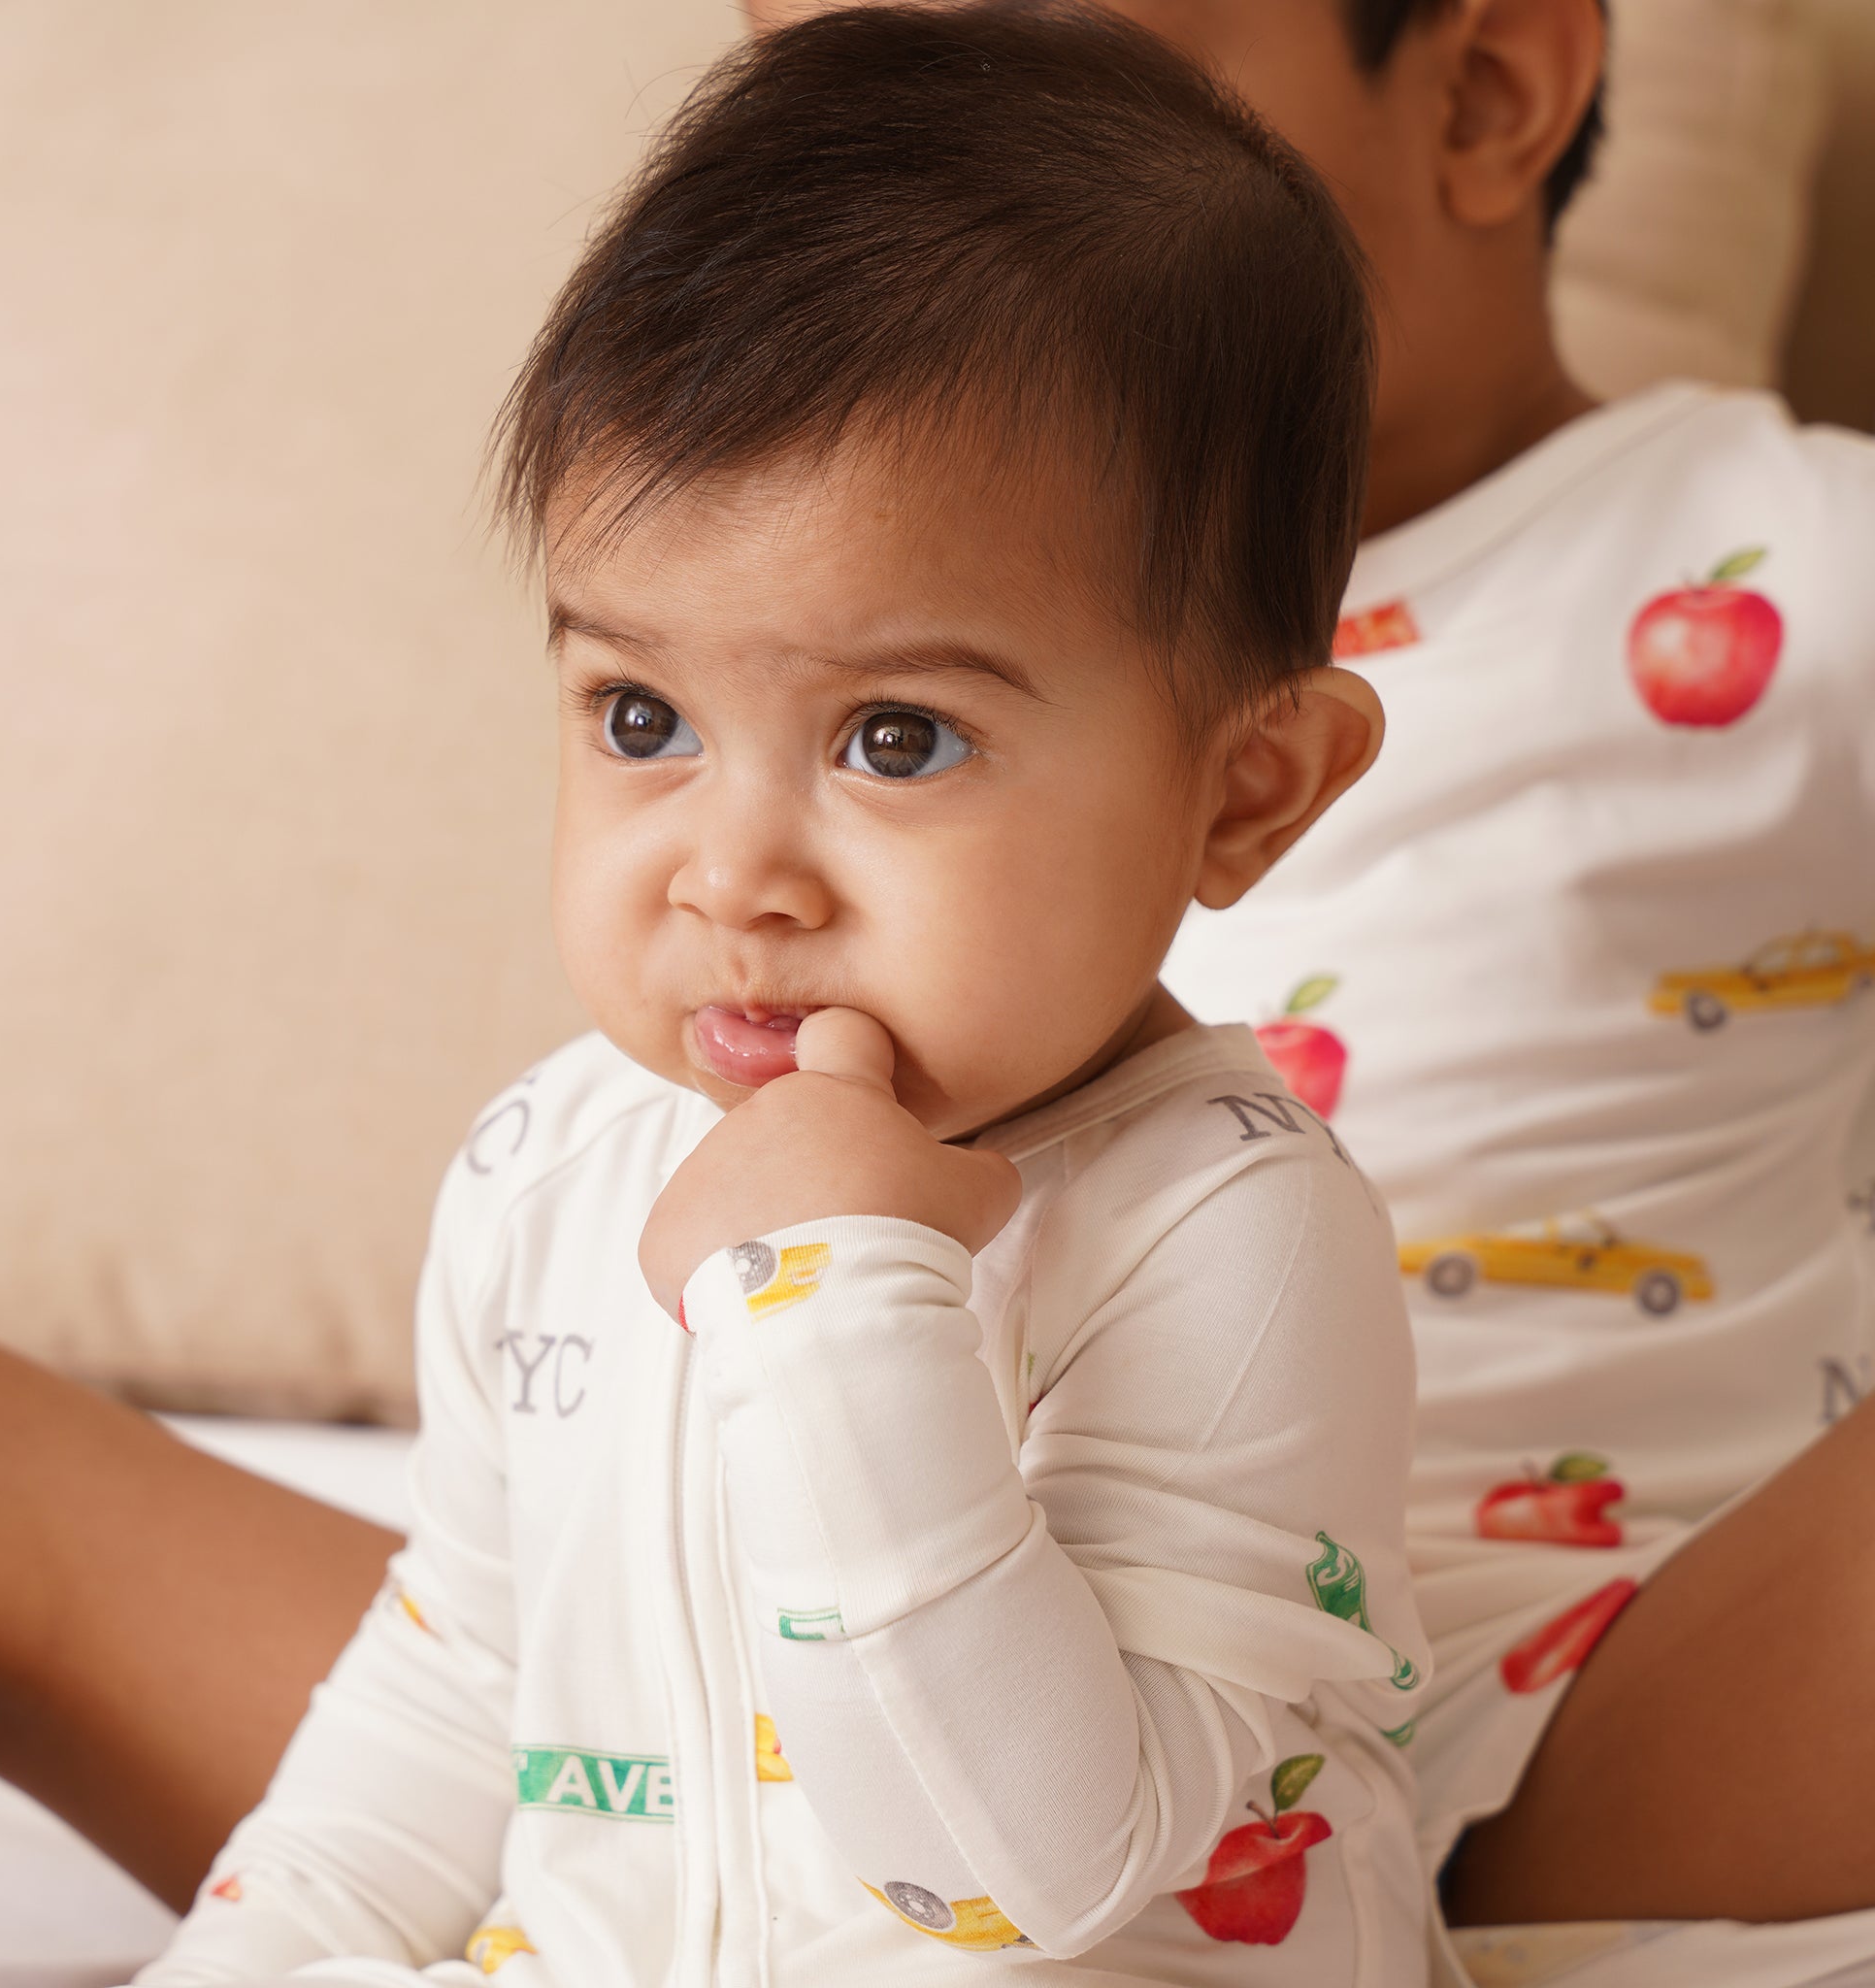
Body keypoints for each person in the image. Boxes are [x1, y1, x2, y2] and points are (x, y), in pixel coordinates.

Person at [112, 7, 1430, 1981]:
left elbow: (1028, 1867)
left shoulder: (1231, 1235)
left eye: (896, 739)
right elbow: (457, 1685)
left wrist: (839, 1302)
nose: (731, 873)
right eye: (639, 714)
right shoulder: (544, 1169)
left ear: (1243, 790)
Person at [742, 2, 1875, 1982]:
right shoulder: (765, 663)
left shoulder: (1797, 567)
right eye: (830, 114)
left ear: (1483, 89)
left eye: (1044, 99)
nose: (905, 222)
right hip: (798, 1704)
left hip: (1558, 1712)